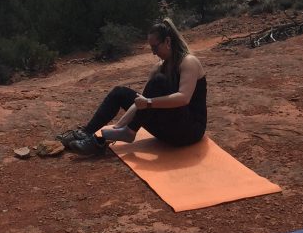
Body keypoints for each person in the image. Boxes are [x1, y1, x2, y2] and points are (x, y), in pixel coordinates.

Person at [58, 19, 207, 156]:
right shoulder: (159, 67)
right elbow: (139, 103)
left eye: (155, 47)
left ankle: (129, 132)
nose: (153, 52)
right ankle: (88, 133)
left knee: (158, 81)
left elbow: (183, 98)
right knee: (120, 93)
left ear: (167, 41)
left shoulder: (188, 62)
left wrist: (149, 103)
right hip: (168, 130)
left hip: (189, 132)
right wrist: (118, 127)